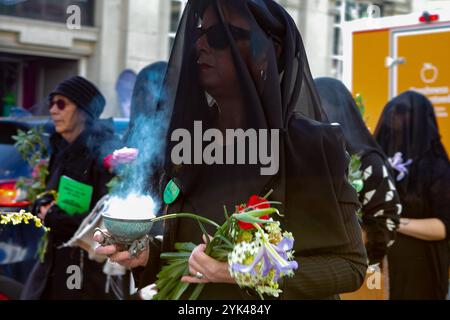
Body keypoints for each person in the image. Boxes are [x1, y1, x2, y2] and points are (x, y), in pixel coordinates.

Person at [96, 0, 367, 299]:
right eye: (199, 32)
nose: (200, 44)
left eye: (220, 36)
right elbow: (194, 258)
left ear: (266, 53)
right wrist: (145, 252)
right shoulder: (189, 141)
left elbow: (349, 265)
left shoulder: (308, 145)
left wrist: (245, 272)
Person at [21, 76, 119, 300]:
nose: (54, 110)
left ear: (84, 111)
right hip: (53, 261)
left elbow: (105, 222)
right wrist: (41, 205)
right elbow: (51, 193)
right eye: (52, 104)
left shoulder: (103, 155)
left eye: (62, 104)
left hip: (83, 268)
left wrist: (55, 217)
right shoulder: (61, 148)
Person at [315, 78, 402, 299]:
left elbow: (387, 223)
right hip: (313, 277)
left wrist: (338, 240)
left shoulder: (367, 163)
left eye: (319, 107)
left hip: (359, 278)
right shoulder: (310, 158)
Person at [375, 90, 450, 300]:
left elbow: (443, 226)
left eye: (403, 114)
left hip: (422, 269)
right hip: (385, 267)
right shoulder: (379, 163)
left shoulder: (436, 167)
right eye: (394, 114)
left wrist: (394, 223)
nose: (395, 120)